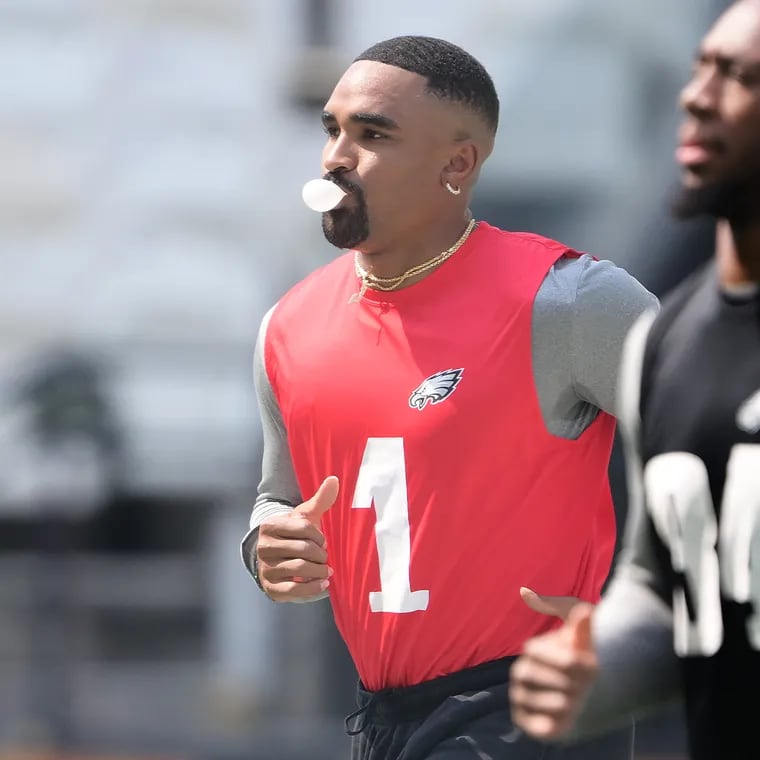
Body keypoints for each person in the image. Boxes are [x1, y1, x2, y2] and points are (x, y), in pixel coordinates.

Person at [241, 35, 656, 760]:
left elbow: (722, 441)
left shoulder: (566, 300)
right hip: (381, 717)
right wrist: (268, 546)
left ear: (456, 165)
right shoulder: (288, 327)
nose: (337, 156)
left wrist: (647, 611)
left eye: (373, 134)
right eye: (332, 129)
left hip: (531, 703)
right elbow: (280, 497)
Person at [508, 3, 760, 760]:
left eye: (739, 77)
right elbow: (664, 588)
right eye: (701, 66)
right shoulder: (662, 340)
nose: (697, 95)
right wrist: (594, 669)